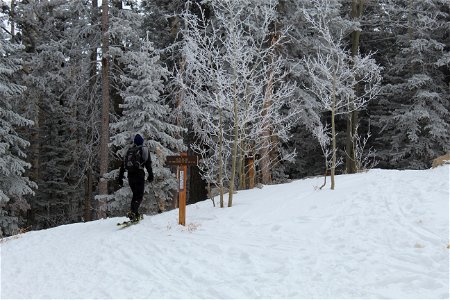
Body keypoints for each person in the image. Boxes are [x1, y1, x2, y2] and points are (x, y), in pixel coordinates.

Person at [117, 133, 154, 221]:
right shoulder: (144, 149)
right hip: (139, 174)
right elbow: (148, 164)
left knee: (135, 195)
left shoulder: (130, 150)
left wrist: (120, 178)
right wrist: (150, 175)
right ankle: (133, 212)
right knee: (139, 195)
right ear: (142, 141)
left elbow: (123, 165)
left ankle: (134, 213)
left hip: (130, 175)